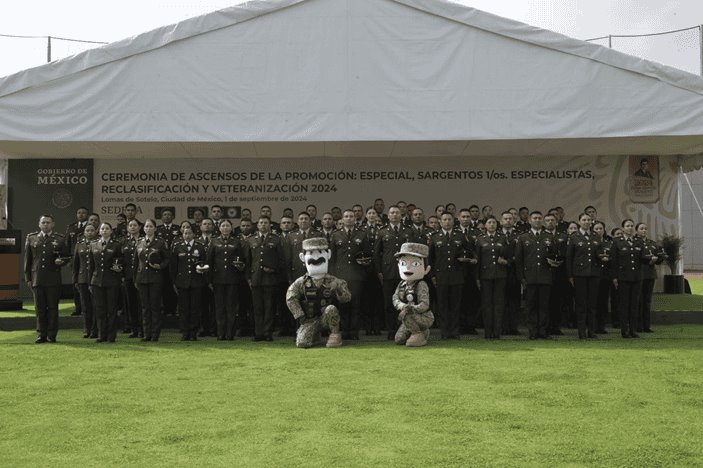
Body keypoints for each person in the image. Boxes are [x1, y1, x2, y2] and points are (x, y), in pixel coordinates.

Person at [286, 237, 351, 348]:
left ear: (328, 254)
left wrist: (338, 288)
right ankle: (315, 336)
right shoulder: (301, 282)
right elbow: (290, 298)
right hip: (309, 320)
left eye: (320, 252)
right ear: (302, 257)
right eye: (311, 253)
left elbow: (346, 298)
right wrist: (300, 316)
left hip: (326, 318)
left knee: (331, 309)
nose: (316, 257)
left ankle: (335, 333)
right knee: (302, 343)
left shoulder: (335, 280)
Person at [24, 214, 68, 343]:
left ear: (53, 224)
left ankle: (52, 335)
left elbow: (66, 256)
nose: (45, 225)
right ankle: (41, 334)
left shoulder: (59, 239)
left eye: (48, 222)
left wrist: (62, 261)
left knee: (53, 308)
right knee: (40, 308)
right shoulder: (32, 238)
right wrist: (28, 278)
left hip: (53, 278)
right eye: (43, 222)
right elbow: (28, 260)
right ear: (39, 224)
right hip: (37, 278)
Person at [515, 211, 558, 340]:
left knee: (544, 306)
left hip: (545, 276)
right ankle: (533, 332)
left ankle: (543, 331)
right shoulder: (523, 237)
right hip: (529, 278)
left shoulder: (549, 236)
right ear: (529, 220)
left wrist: (554, 264)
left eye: (540, 218)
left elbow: (555, 256)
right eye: (535, 218)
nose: (537, 220)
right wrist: (521, 278)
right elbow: (519, 260)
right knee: (531, 306)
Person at [428, 212, 471, 340]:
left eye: (449, 219)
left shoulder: (460, 236)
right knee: (442, 306)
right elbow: (430, 259)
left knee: (455, 306)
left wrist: (464, 262)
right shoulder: (434, 237)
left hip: (456, 276)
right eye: (444, 219)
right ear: (440, 222)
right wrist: (432, 276)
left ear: (453, 221)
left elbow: (468, 252)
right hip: (441, 277)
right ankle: (445, 332)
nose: (447, 222)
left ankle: (454, 331)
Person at [330, 209, 371, 340]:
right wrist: (332, 276)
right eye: (346, 216)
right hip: (340, 276)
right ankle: (344, 330)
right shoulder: (335, 235)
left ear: (355, 218)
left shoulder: (362, 234)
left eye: (351, 216)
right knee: (342, 304)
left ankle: (354, 332)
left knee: (356, 304)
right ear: (342, 219)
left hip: (357, 276)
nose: (349, 218)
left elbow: (367, 255)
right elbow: (332, 258)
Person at [374, 205, 414, 339]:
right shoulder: (382, 232)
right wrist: (379, 271)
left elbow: (413, 253)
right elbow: (377, 254)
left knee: (405, 301)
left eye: (397, 212)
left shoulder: (408, 231)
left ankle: (405, 330)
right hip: (388, 272)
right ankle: (392, 331)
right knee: (389, 303)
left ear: (401, 215)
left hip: (406, 272)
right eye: (392, 212)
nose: (395, 215)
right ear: (388, 215)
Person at [245, 216, 285, 341]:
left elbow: (281, 260)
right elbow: (248, 260)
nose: (263, 225)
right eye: (261, 223)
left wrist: (274, 269)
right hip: (255, 278)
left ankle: (268, 333)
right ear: (257, 225)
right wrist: (248, 278)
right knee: (257, 308)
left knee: (269, 307)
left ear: (270, 225)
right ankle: (258, 333)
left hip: (270, 278)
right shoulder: (251, 240)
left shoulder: (276, 239)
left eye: (265, 223)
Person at [207, 219, 247, 340]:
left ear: (231, 228)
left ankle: (230, 333)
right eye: (223, 226)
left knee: (231, 307)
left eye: (227, 226)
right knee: (219, 308)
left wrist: (240, 266)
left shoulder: (237, 241)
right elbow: (209, 261)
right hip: (218, 279)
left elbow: (242, 259)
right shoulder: (214, 241)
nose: (225, 228)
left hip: (232, 279)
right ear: (219, 228)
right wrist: (209, 280)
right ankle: (220, 333)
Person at [566, 213, 602, 339]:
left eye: (589, 220)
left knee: (592, 304)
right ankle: (581, 331)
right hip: (579, 274)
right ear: (579, 221)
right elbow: (569, 257)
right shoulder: (574, 236)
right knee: (581, 304)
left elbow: (599, 253)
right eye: (584, 220)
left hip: (594, 273)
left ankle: (591, 331)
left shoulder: (596, 236)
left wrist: (603, 257)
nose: (586, 222)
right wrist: (570, 275)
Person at [134, 219, 169, 342]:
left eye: (151, 226)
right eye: (146, 226)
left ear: (155, 228)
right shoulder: (139, 242)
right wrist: (135, 279)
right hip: (142, 278)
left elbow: (167, 259)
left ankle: (155, 334)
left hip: (155, 278)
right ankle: (146, 334)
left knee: (155, 307)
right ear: (143, 229)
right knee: (145, 307)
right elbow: (135, 263)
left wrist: (161, 266)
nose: (148, 228)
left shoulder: (160, 242)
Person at [393, 242, 434, 347]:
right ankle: (419, 331)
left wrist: (409, 309)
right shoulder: (402, 284)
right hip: (409, 318)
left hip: (423, 317)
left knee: (407, 315)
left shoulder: (421, 285)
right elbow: (395, 298)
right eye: (403, 263)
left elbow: (425, 305)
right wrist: (402, 306)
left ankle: (418, 334)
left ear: (426, 269)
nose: (408, 268)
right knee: (399, 339)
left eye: (415, 264)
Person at [170, 226, 207, 341]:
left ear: (193, 234)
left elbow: (205, 263)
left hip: (196, 282)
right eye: (185, 233)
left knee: (195, 308)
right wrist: (174, 282)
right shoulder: (177, 247)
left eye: (189, 233)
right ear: (182, 235)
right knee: (183, 308)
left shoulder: (199, 247)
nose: (187, 235)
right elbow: (173, 266)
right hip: (182, 282)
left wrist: (203, 272)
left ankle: (193, 332)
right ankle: (185, 331)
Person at [475, 216, 510, 339]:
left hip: (500, 275)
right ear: (485, 225)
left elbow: (509, 255)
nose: (492, 224)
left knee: (499, 305)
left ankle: (497, 333)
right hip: (485, 276)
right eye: (489, 222)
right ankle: (488, 332)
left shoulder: (503, 238)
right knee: (487, 305)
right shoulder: (480, 239)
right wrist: (477, 278)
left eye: (494, 222)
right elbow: (477, 260)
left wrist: (505, 260)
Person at [89, 222, 124, 343]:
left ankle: (111, 336)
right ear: (99, 231)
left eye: (107, 228)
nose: (104, 230)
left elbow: (121, 261)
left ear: (111, 231)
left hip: (112, 281)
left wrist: (119, 269)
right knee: (100, 309)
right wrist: (90, 282)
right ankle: (101, 334)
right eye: (102, 228)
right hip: (97, 281)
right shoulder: (93, 245)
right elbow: (91, 266)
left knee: (111, 309)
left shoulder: (117, 245)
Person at [611, 219, 645, 338]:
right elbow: (614, 261)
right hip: (623, 277)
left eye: (631, 226)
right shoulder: (616, 241)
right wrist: (614, 277)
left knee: (634, 304)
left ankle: (633, 329)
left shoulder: (639, 241)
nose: (630, 228)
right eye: (627, 226)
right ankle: (624, 330)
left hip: (636, 277)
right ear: (623, 228)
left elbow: (642, 258)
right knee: (624, 304)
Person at [636, 222, 664, 333]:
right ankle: (638, 325)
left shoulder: (652, 243)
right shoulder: (635, 243)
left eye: (645, 228)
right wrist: (648, 260)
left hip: (650, 274)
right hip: (639, 275)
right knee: (639, 301)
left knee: (647, 301)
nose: (644, 230)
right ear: (637, 230)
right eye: (641, 228)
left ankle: (646, 325)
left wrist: (658, 259)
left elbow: (659, 257)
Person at [72, 223, 97, 338]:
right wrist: (75, 280)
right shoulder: (79, 245)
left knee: (95, 305)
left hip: (95, 279)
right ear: (84, 233)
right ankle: (86, 329)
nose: (90, 232)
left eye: (92, 230)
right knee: (85, 306)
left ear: (96, 232)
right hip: (82, 279)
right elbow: (75, 264)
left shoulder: (99, 243)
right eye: (87, 230)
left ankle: (95, 330)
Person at [66, 206, 90, 316]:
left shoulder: (90, 228)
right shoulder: (71, 227)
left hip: (86, 258)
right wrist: (68, 258)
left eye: (84, 213)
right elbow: (68, 244)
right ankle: (78, 308)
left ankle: (87, 308)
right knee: (76, 284)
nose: (81, 215)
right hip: (74, 259)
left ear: (87, 215)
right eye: (79, 212)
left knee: (86, 284)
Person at [121, 219, 143, 338]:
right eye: (130, 225)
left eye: (135, 225)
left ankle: (142, 329)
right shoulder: (124, 241)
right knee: (131, 303)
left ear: (139, 227)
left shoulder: (144, 241)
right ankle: (133, 328)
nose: (133, 227)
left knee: (142, 304)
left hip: (141, 276)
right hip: (128, 277)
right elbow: (120, 260)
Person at [592, 221, 612, 334]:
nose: (598, 230)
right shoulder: (590, 241)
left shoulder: (609, 242)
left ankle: (601, 326)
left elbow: (613, 257)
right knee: (593, 301)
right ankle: (592, 325)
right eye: (596, 229)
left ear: (604, 230)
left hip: (605, 276)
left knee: (603, 302)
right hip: (593, 275)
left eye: (600, 228)